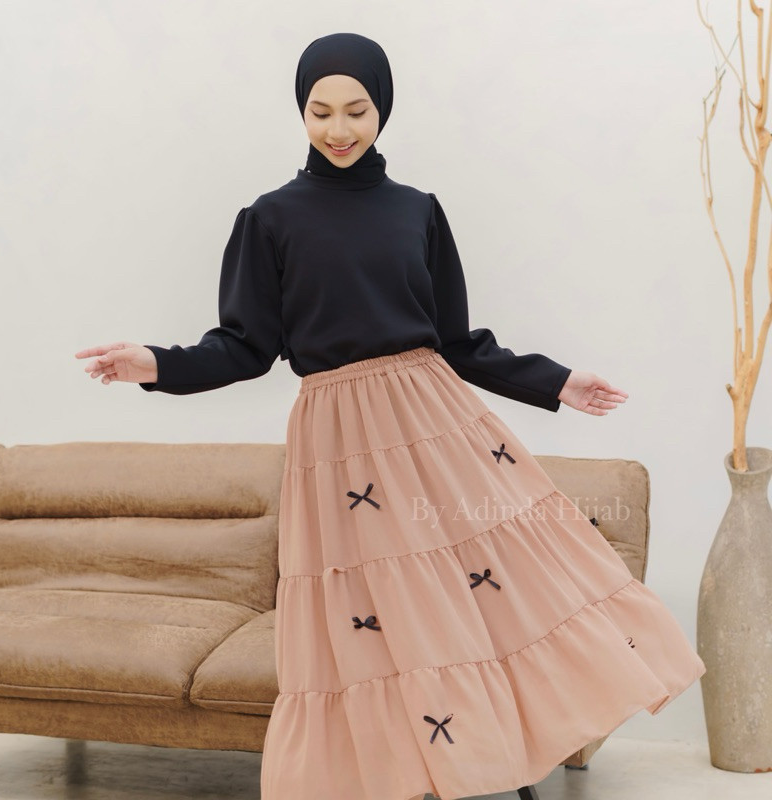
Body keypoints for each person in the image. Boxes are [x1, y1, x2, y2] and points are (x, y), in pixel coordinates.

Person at [74, 31, 705, 800]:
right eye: (320, 112)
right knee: (369, 617)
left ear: (383, 110)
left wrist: (557, 382)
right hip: (338, 444)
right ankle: (400, 773)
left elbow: (458, 342)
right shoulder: (269, 219)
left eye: (356, 110)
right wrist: (155, 364)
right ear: (300, 112)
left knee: (495, 583)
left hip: (436, 424)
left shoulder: (418, 212)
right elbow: (243, 347)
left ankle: (489, 756)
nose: (338, 128)